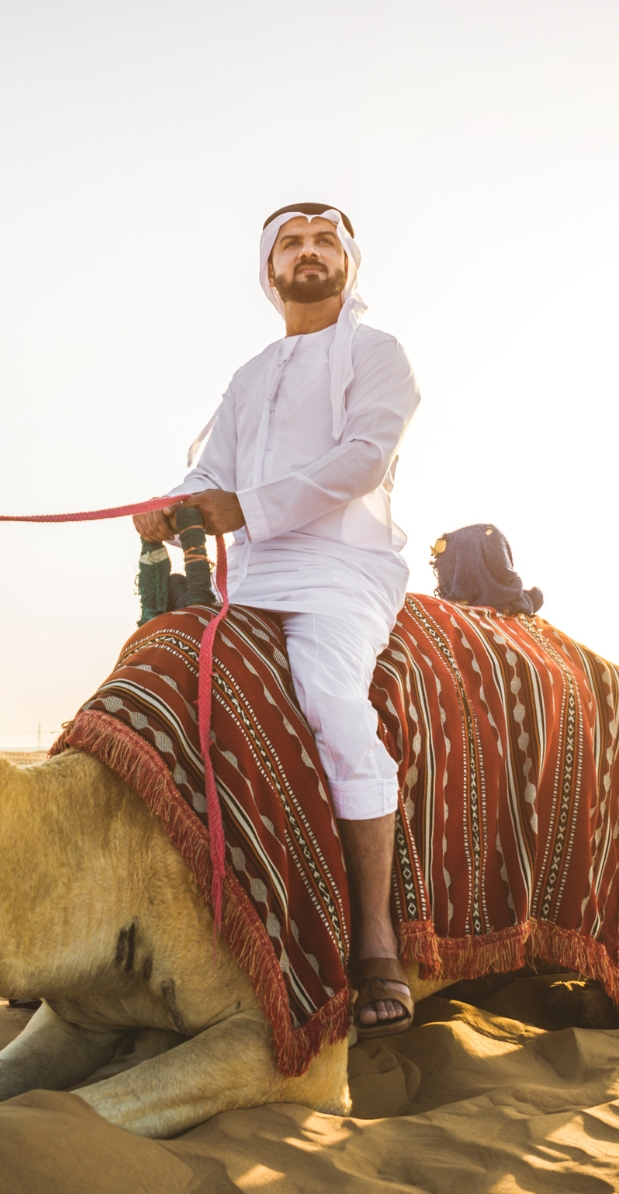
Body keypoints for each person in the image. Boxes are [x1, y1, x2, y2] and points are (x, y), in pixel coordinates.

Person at [134, 202, 422, 1036]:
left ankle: (375, 946)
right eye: (291, 244)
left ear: (348, 263)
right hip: (248, 578)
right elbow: (209, 473)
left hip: (341, 572)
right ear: (269, 273)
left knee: (333, 708)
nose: (308, 253)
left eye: (324, 241)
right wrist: (168, 507)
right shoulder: (251, 375)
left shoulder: (378, 355)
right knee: (154, 690)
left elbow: (363, 458)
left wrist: (241, 507)